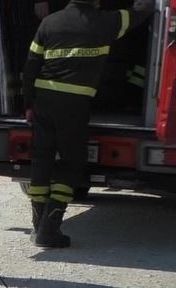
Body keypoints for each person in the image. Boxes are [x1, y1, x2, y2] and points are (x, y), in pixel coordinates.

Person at [22, 0, 152, 247]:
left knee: (41, 159)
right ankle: (50, 228)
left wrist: (28, 103)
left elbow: (30, 66)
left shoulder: (50, 22)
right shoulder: (105, 21)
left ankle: (38, 225)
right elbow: (140, 13)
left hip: (43, 99)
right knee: (71, 163)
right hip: (73, 103)